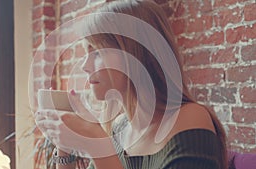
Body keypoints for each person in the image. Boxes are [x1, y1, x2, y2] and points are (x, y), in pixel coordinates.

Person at [35, 0, 228, 169]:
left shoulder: (190, 118)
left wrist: (97, 142)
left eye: (97, 52)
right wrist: (64, 145)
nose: (85, 66)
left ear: (136, 54)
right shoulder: (119, 128)